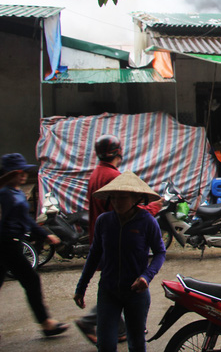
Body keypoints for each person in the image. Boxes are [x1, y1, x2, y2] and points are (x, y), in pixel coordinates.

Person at [74, 171, 166, 352]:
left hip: (136, 292)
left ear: (135, 198)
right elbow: (94, 255)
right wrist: (81, 287)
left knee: (137, 344)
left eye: (122, 198)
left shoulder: (147, 222)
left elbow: (160, 253)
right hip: (108, 292)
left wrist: (147, 276)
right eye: (114, 198)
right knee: (106, 345)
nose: (117, 202)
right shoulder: (104, 221)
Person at [0, 153, 69, 338]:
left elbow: (26, 220)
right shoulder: (4, 193)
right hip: (6, 243)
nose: (23, 175)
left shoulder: (16, 192)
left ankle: (46, 323)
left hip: (13, 244)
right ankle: (46, 323)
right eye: (19, 171)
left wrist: (45, 234)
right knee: (31, 280)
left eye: (24, 171)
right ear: (10, 173)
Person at [75, 134, 128, 345]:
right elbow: (125, 211)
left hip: (101, 239)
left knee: (116, 284)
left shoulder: (97, 173)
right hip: (114, 240)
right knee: (119, 286)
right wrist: (152, 206)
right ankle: (90, 320)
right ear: (118, 152)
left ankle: (121, 329)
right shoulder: (114, 177)